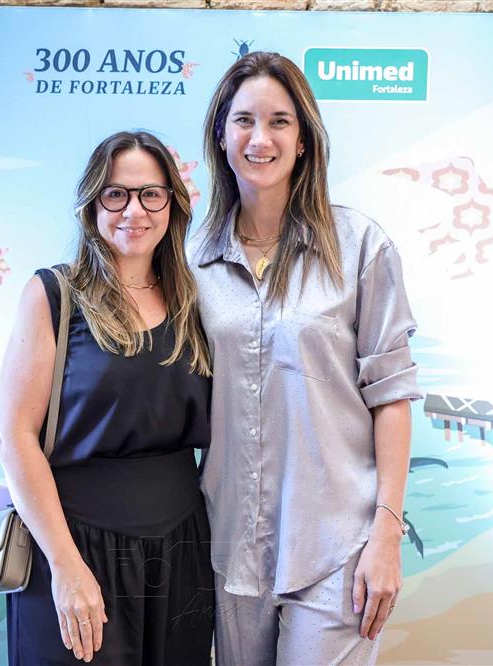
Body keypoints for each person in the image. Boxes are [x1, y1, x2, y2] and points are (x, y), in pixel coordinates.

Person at [190, 51, 422, 665]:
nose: (260, 138)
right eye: (243, 120)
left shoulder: (361, 246)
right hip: (228, 550)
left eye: (279, 121)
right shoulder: (191, 262)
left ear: (304, 139)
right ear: (221, 136)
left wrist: (386, 535)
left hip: (338, 549)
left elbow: (392, 396)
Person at [0, 130, 215, 664]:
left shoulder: (197, 300)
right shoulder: (54, 294)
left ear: (172, 204)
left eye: (151, 194)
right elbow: (16, 436)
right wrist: (66, 567)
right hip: (74, 547)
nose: (134, 211)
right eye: (116, 194)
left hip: (183, 552)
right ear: (92, 204)